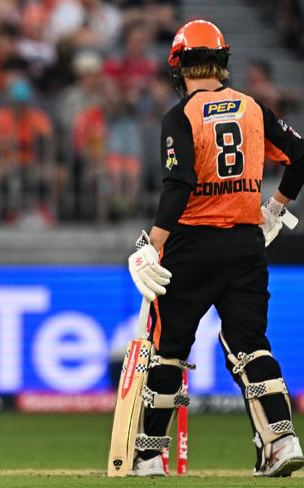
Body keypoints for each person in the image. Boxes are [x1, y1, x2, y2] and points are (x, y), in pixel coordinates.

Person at [127, 20, 304, 477]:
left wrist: (154, 242)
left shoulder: (179, 115)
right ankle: (281, 443)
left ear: (177, 65)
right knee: (249, 344)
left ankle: (149, 457)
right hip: (246, 243)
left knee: (168, 348)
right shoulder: (253, 107)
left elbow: (179, 182)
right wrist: (276, 207)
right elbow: (301, 155)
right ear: (222, 60)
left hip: (190, 244)